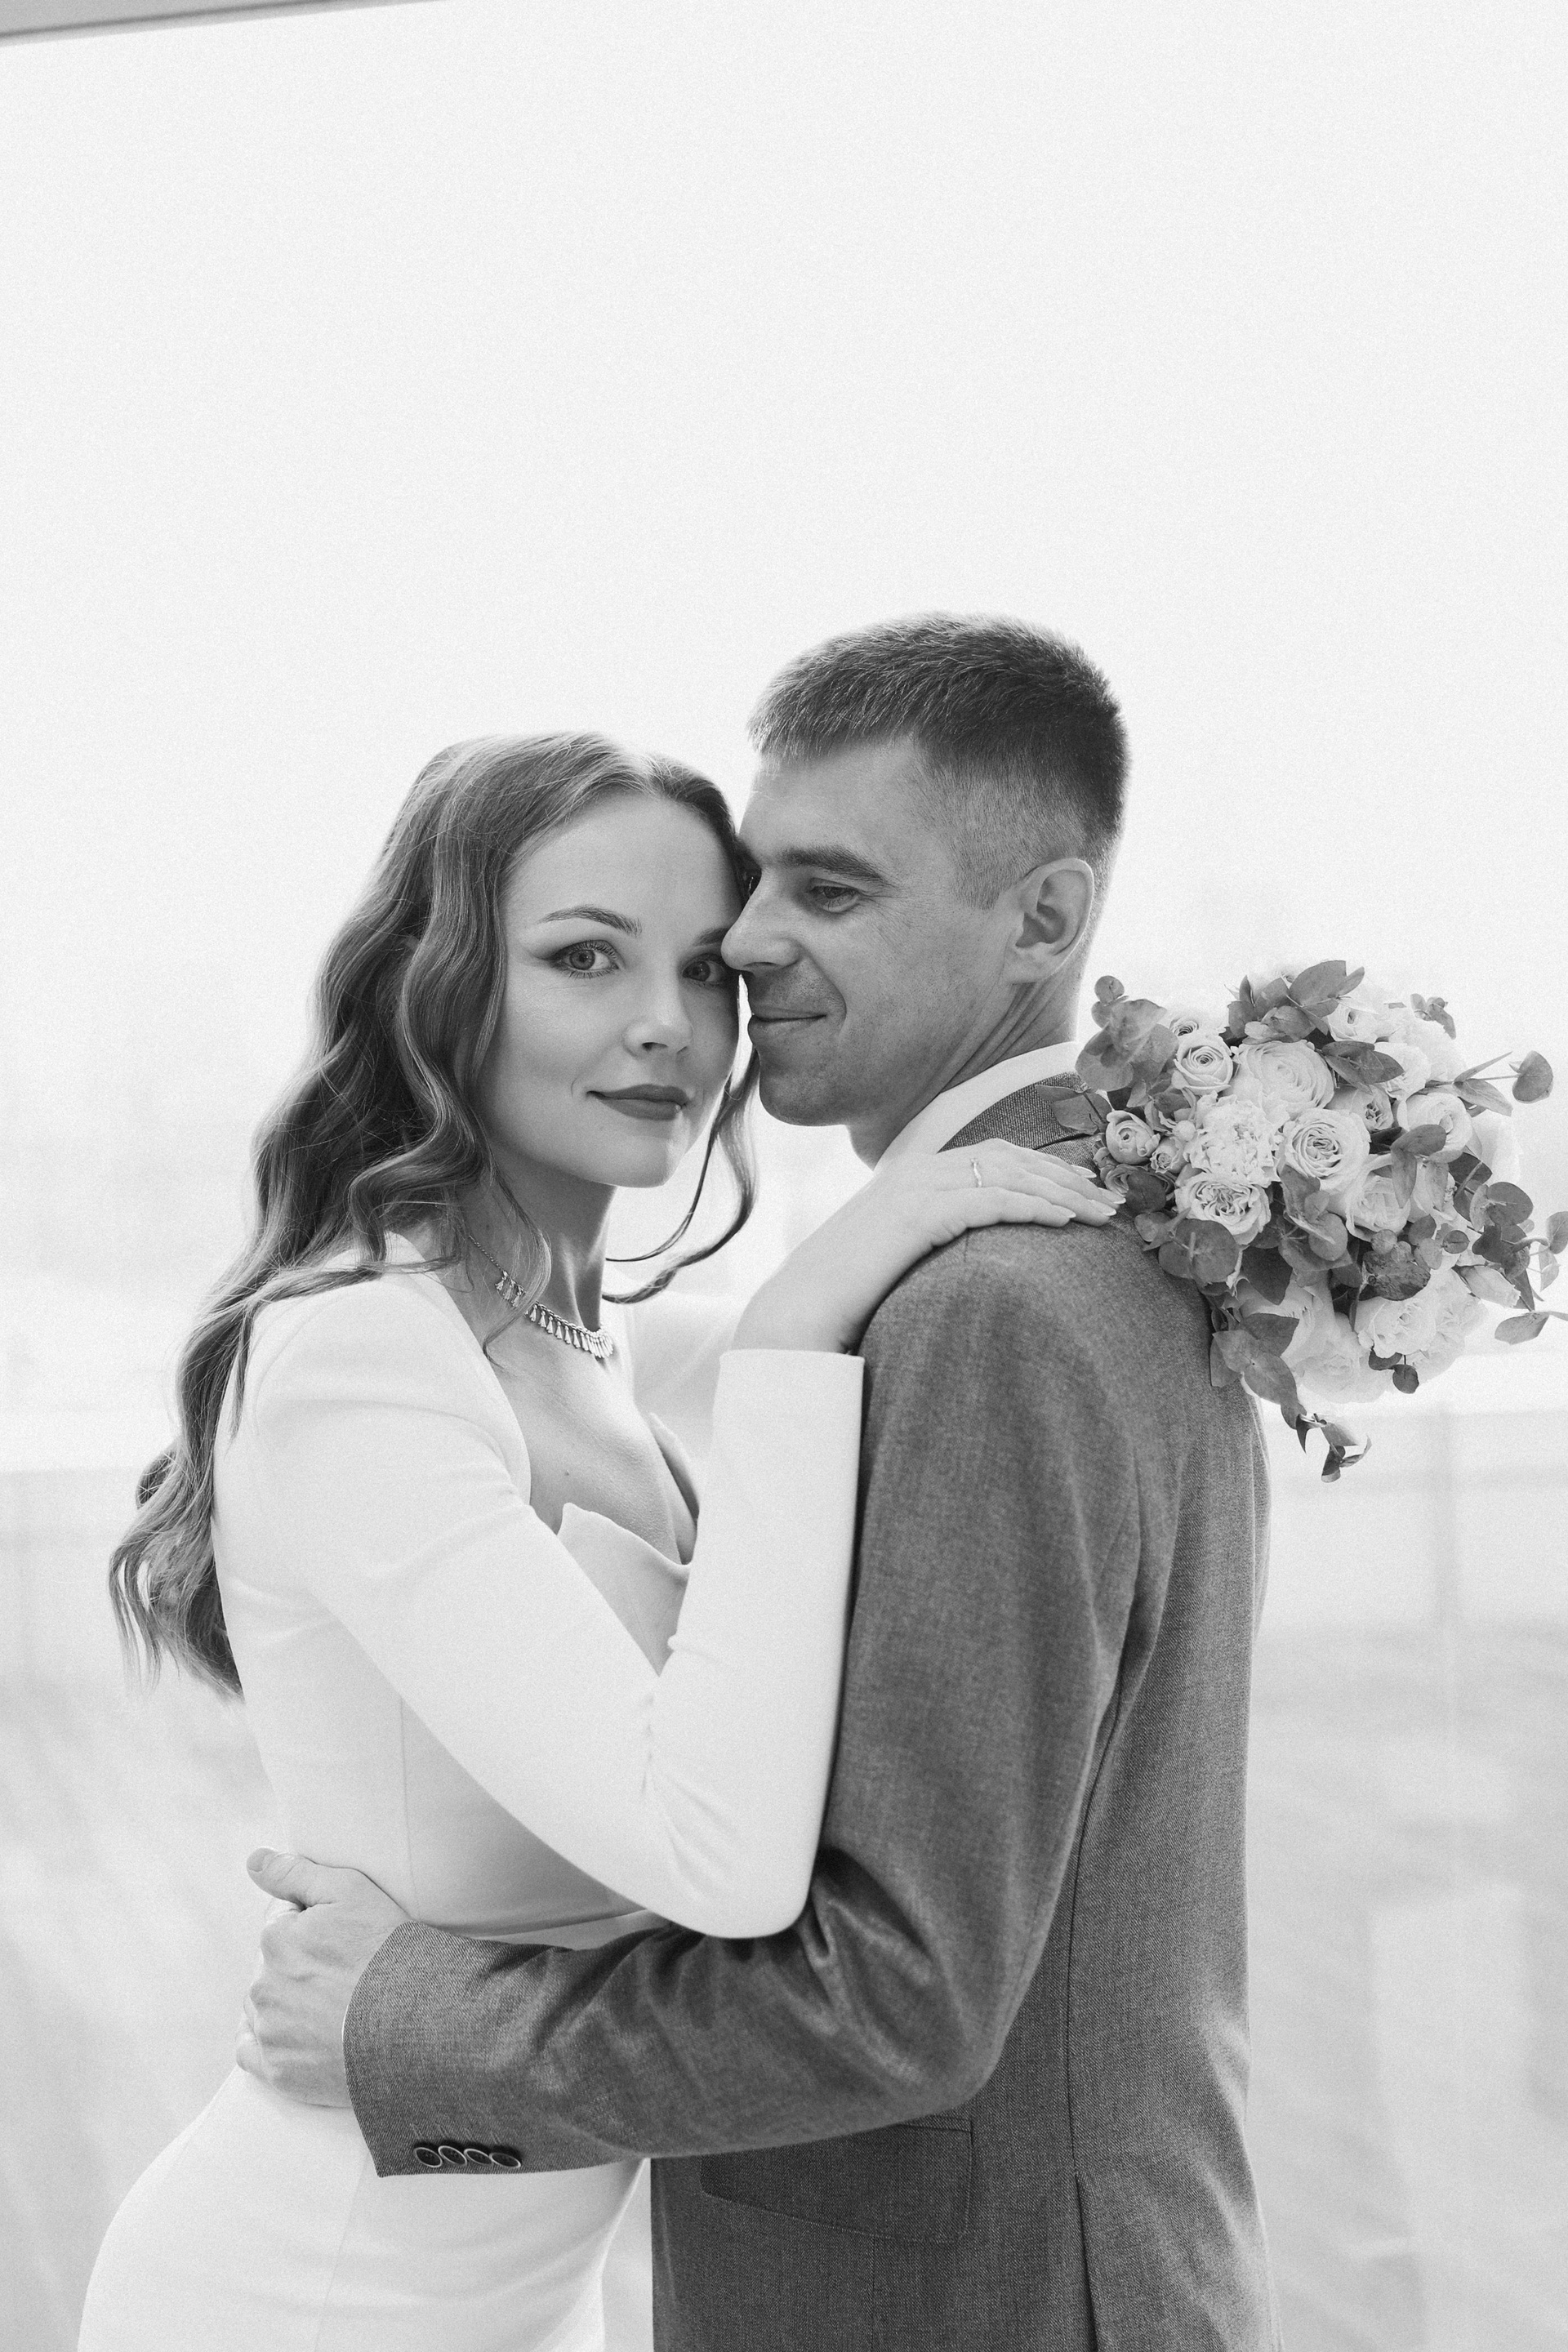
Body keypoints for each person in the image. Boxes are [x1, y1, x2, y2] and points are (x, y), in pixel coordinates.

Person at [239, 616, 1283, 2350]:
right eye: (760, 887)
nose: (743, 949)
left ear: (1044, 921)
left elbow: (899, 1996)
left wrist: (402, 2018)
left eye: (832, 890)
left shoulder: (994, 1306)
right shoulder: (1094, 1237)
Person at [78, 727, 1107, 2352]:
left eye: (704, 969)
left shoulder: (624, 1355)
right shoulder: (364, 1356)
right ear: (442, 992)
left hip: (530, 2291)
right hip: (310, 2286)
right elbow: (718, 1860)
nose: (665, 1026)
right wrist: (809, 1308)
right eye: (583, 958)